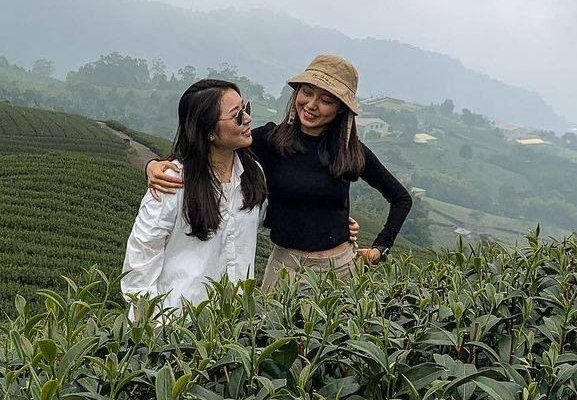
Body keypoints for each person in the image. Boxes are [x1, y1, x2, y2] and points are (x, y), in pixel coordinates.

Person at [145, 54, 412, 287]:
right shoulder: (271, 139)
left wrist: (380, 249)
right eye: (307, 92)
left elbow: (401, 199)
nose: (311, 105)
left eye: (326, 100)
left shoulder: (350, 152)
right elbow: (208, 149)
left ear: (341, 109)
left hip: (339, 269)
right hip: (285, 267)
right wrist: (153, 165)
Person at [121, 79, 267, 311]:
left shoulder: (252, 175)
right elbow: (139, 268)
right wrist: (159, 328)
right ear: (209, 131)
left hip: (233, 324)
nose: (247, 119)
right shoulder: (173, 183)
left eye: (246, 109)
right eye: (237, 115)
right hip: (177, 326)